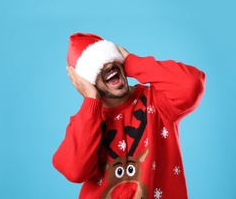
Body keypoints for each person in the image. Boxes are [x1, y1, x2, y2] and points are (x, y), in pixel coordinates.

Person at [53, 32, 206, 199]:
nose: (108, 65)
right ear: (87, 81)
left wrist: (134, 63)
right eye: (97, 66)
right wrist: (91, 100)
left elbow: (190, 84)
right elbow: (74, 172)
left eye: (109, 57)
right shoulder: (85, 120)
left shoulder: (156, 102)